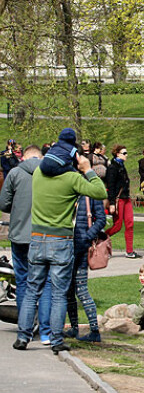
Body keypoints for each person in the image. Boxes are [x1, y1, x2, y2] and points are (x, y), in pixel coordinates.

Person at [13, 144, 107, 354]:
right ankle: (56, 340)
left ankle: (23, 336)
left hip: (37, 239)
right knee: (58, 293)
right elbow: (100, 192)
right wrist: (87, 168)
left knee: (31, 291)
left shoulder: (37, 175)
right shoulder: (71, 179)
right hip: (61, 241)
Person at [0, 145, 53, 345]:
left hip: (20, 234)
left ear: (25, 157)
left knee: (23, 281)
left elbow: (3, 203)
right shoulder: (50, 174)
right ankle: (46, 331)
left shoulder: (15, 173)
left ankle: (25, 327)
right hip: (43, 235)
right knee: (46, 282)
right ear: (40, 157)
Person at [64, 194, 106, 342]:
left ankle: (94, 330)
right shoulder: (69, 189)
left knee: (81, 290)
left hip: (80, 248)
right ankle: (74, 328)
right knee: (69, 290)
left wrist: (87, 237)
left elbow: (101, 219)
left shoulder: (90, 193)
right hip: (66, 245)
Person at [106, 145, 140, 259]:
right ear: (117, 154)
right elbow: (110, 186)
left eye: (126, 153)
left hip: (126, 198)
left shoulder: (122, 166)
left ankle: (129, 251)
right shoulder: (112, 168)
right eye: (124, 153)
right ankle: (101, 238)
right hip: (118, 199)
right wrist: (111, 203)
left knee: (130, 224)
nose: (126, 155)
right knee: (117, 226)